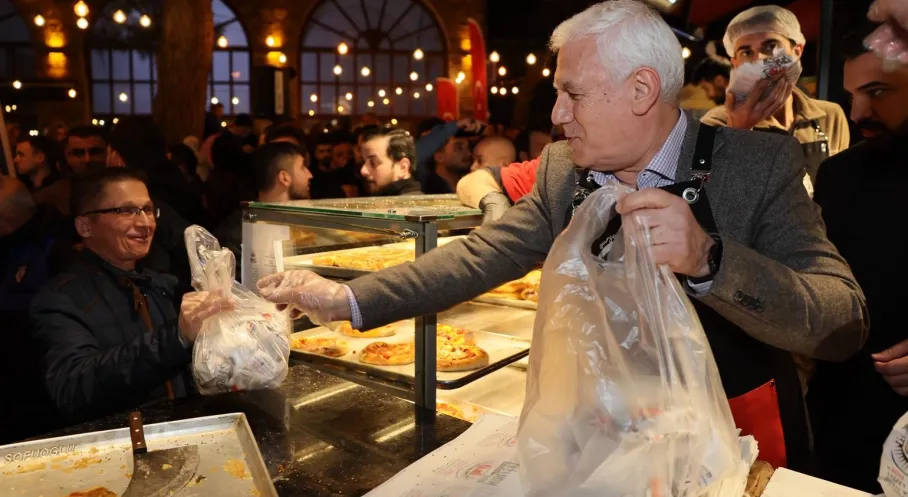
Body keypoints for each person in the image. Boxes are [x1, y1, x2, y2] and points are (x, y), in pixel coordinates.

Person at [256, 0, 867, 472]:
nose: (555, 114)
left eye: (571, 93)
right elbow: (483, 253)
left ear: (641, 90)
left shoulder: (756, 168)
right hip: (606, 433)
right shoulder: (562, 170)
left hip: (732, 434)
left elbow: (843, 321)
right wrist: (346, 299)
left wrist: (710, 260)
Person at [30, 168, 233, 422]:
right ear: (85, 226)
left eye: (148, 210)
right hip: (120, 446)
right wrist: (176, 337)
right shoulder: (60, 299)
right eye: (125, 211)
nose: (145, 223)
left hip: (183, 434)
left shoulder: (160, 284)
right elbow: (73, 389)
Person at [807, 23, 908, 494]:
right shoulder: (837, 174)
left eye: (877, 92)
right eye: (852, 94)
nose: (858, 112)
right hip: (840, 408)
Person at [702, 5, 850, 183]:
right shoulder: (714, 124)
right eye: (746, 52)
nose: (759, 59)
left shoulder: (830, 116)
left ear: (796, 52)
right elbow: (709, 198)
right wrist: (739, 132)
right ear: (735, 63)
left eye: (771, 46)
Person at [216, 142, 312, 278]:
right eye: (303, 168)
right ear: (284, 177)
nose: (310, 175)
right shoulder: (239, 234)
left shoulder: (304, 224)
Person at [416, 118, 485, 193]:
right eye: (459, 148)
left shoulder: (473, 186)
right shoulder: (424, 186)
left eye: (469, 147)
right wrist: (454, 127)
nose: (468, 153)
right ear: (439, 156)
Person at [360, 127, 423, 196]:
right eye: (363, 161)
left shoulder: (410, 205)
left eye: (373, 163)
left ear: (403, 167)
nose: (363, 171)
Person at [309, 132, 360, 199]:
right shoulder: (311, 175)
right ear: (315, 154)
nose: (326, 154)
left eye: (329, 151)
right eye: (322, 151)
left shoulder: (346, 174)